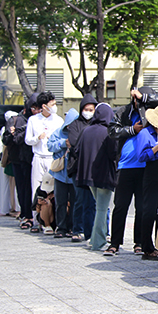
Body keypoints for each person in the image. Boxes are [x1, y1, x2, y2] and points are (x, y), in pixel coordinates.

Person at [108, 86, 158, 254]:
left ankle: (140, 243)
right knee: (120, 205)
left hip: (146, 168)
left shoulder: (152, 111)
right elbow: (112, 131)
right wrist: (131, 130)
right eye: (136, 99)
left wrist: (144, 97)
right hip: (126, 166)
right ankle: (115, 243)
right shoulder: (123, 111)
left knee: (144, 208)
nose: (138, 102)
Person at [76, 103, 118, 251]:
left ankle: (94, 238)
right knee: (102, 208)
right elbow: (113, 153)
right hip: (104, 175)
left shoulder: (86, 130)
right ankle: (98, 242)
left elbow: (77, 150)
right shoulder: (108, 131)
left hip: (88, 175)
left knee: (97, 207)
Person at [25, 91, 63, 233]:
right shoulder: (33, 120)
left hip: (52, 159)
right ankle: (36, 221)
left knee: (52, 190)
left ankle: (52, 221)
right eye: (51, 104)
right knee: (36, 188)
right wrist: (37, 138)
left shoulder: (58, 120)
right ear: (44, 106)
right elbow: (28, 140)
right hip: (38, 157)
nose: (54, 107)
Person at [136, 104, 158, 260]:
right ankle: (146, 247)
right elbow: (141, 156)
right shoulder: (145, 133)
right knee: (148, 210)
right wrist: (157, 147)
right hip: (151, 170)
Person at [3, 93, 38, 229]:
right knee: (22, 188)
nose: (36, 110)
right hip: (18, 160)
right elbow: (6, 140)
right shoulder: (16, 120)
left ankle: (35, 215)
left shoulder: (39, 120)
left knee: (33, 188)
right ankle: (25, 214)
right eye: (33, 107)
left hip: (33, 158)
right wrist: (12, 134)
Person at [67, 94, 98, 243]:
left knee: (93, 202)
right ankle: (78, 229)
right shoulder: (74, 125)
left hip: (94, 168)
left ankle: (92, 230)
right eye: (86, 109)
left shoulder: (98, 123)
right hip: (78, 167)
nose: (88, 112)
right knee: (80, 199)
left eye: (91, 109)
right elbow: (74, 142)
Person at [47, 108, 79, 238]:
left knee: (74, 202)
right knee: (60, 202)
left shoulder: (79, 133)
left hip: (74, 174)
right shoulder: (58, 133)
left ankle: (72, 227)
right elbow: (49, 146)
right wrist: (63, 143)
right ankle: (61, 227)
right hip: (60, 174)